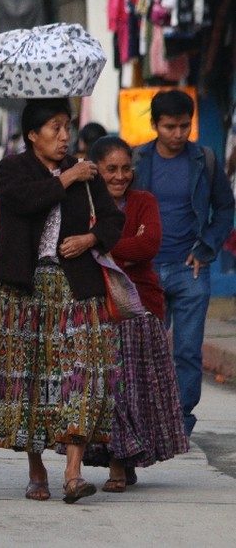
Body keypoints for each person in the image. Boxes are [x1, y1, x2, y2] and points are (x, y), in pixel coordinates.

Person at [0, 98, 125, 504]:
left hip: (76, 287)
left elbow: (112, 219)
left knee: (83, 375)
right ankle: (36, 470)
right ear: (32, 134)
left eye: (67, 127)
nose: (64, 135)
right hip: (24, 290)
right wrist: (67, 178)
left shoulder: (86, 173)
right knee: (28, 382)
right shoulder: (13, 168)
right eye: (54, 128)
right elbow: (24, 201)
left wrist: (90, 238)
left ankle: (73, 471)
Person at [78, 136, 189, 492]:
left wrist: (96, 243)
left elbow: (149, 244)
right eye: (111, 169)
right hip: (97, 307)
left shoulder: (144, 201)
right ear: (96, 170)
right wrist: (117, 247)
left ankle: (123, 460)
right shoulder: (83, 203)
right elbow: (77, 248)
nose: (120, 176)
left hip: (140, 307)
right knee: (108, 389)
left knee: (133, 391)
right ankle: (116, 461)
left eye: (126, 168)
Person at [131, 89, 235, 439]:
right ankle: (146, 420)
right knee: (148, 350)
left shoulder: (204, 159)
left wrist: (207, 247)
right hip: (145, 271)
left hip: (191, 270)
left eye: (184, 126)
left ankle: (179, 424)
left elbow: (225, 207)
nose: (178, 134)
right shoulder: (136, 160)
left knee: (188, 351)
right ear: (155, 125)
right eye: (170, 127)